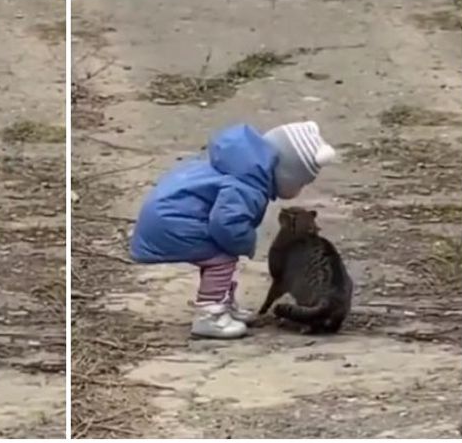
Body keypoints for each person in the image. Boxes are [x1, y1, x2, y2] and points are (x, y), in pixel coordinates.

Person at [130, 121, 336, 339]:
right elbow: (226, 224)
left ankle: (223, 303)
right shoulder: (247, 186)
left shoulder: (240, 166)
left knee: (219, 255)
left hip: (168, 215)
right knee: (222, 258)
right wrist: (244, 242)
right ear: (287, 173)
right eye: (301, 183)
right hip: (173, 223)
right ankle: (210, 314)